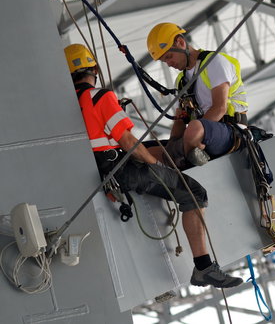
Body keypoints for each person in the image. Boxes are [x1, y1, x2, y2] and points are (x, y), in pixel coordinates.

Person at [64, 43, 242, 289]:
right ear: (94, 68)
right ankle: (203, 268)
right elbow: (127, 141)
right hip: (123, 168)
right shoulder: (100, 96)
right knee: (194, 193)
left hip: (100, 171)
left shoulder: (66, 106)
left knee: (155, 148)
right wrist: (155, 164)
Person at [146, 23, 248, 169]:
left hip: (230, 131)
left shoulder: (213, 62)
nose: (168, 64)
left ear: (180, 43)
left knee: (194, 129)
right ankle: (188, 154)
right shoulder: (181, 81)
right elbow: (179, 121)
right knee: (148, 152)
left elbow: (219, 108)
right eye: (164, 61)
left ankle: (186, 159)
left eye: (169, 57)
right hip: (201, 134)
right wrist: (171, 146)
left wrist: (192, 134)